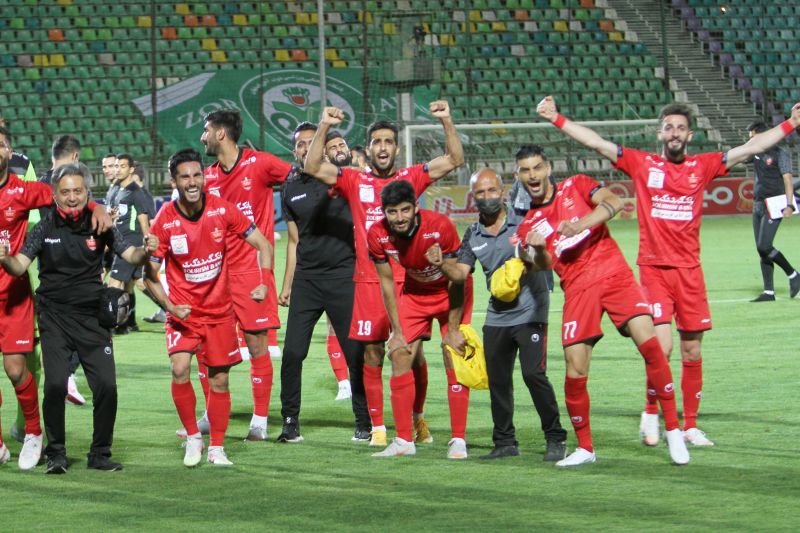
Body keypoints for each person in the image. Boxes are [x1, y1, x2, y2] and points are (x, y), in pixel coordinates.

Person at [538, 96, 800, 447]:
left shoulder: (702, 166)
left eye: (680, 128)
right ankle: (650, 411)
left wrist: (791, 124)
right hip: (654, 270)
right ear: (660, 133)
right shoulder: (642, 164)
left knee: (692, 350)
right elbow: (597, 143)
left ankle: (690, 426)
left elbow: (751, 147)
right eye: (668, 128)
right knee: (661, 348)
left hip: (690, 272)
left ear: (689, 135)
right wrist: (556, 118)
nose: (674, 133)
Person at [512, 144, 689, 467]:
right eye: (525, 170)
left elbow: (615, 202)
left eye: (537, 167)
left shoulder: (577, 185)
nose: (532, 175)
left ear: (548, 168)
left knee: (651, 345)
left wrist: (580, 224)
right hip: (577, 288)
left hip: (613, 272)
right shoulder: (528, 225)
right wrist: (536, 251)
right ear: (518, 175)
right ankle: (585, 448)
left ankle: (673, 430)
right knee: (575, 369)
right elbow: (543, 265)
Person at [303, 101, 465, 447]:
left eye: (388, 141)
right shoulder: (353, 179)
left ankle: (417, 419)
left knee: (412, 355)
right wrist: (324, 126)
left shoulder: (411, 177)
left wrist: (446, 120)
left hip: (409, 284)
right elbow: (312, 165)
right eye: (376, 141)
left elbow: (454, 159)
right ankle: (378, 429)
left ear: (397, 148)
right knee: (372, 353)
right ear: (368, 147)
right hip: (369, 281)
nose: (382, 147)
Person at [0, 163, 150, 474]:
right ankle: (56, 453)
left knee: (106, 386)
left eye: (78, 191)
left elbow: (130, 254)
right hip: (54, 317)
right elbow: (20, 265)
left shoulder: (100, 224)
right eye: (65, 192)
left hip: (92, 317)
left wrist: (145, 251)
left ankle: (100, 453)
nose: (72, 198)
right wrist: (5, 259)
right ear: (54, 195)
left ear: (87, 193)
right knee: (55, 385)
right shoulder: (44, 227)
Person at [144, 148, 273, 467]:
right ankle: (193, 437)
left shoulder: (222, 210)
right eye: (185, 177)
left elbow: (263, 243)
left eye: (197, 175)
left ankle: (216, 447)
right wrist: (170, 307)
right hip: (184, 314)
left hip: (219, 313)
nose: (192, 182)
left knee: (220, 381)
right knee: (179, 369)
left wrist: (264, 280)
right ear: (174, 182)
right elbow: (149, 276)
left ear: (203, 177)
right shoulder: (165, 220)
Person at [437, 167, 568, 461]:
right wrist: (441, 264)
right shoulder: (473, 234)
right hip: (497, 316)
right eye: (480, 193)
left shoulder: (522, 223)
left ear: (503, 191)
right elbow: (460, 274)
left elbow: (543, 262)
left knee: (533, 374)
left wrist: (533, 253)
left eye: (491, 190)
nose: (487, 197)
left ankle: (555, 438)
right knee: (498, 380)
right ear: (473, 197)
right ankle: (505, 442)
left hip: (531, 311)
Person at [199, 109, 292, 440]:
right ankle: (210, 414)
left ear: (221, 133)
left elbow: (298, 178)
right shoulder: (207, 177)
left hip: (252, 272)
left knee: (257, 347)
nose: (202, 137)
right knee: (206, 348)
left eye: (206, 130)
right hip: (214, 277)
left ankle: (260, 421)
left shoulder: (260, 163)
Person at [276, 122, 370, 443]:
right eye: (301, 144)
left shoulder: (342, 178)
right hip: (307, 280)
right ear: (294, 151)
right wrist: (287, 284)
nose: (306, 148)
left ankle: (364, 421)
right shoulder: (290, 188)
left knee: (354, 353)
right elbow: (293, 240)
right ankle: (290, 422)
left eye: (312, 141)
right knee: (292, 353)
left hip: (343, 276)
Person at [365, 180, 472, 458]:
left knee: (453, 354)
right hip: (415, 293)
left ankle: (458, 440)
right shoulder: (377, 234)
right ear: (384, 212)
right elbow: (387, 283)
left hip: (450, 292)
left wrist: (454, 329)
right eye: (392, 212)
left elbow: (458, 279)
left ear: (416, 207)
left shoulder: (441, 226)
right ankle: (404, 441)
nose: (399, 217)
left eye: (405, 210)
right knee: (399, 352)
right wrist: (397, 331)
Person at [746, 120, 800, 302]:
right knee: (761, 250)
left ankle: (793, 274)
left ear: (761, 135)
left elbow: (787, 180)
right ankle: (769, 292)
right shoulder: (754, 152)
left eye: (752, 136)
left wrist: (789, 205)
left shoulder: (780, 153)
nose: (750, 140)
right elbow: (739, 157)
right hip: (758, 204)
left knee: (764, 246)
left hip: (775, 203)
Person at [106, 154, 156, 334]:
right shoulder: (116, 189)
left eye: (122, 166)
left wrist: (148, 245)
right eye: (116, 166)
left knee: (114, 283)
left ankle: (110, 324)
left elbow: (144, 221)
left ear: (131, 169)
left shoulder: (136, 192)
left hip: (130, 245)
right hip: (118, 242)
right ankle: (124, 324)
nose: (118, 169)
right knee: (133, 285)